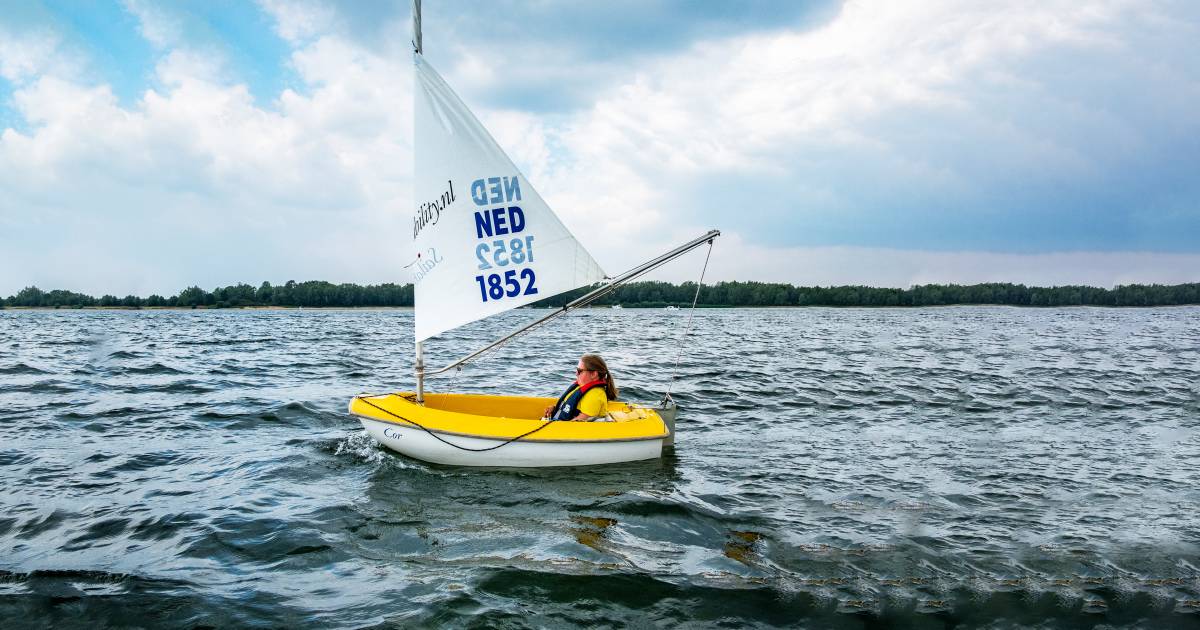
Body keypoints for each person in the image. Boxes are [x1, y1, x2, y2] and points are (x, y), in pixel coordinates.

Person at [543, 354, 618, 421]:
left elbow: (578, 423)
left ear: (593, 374)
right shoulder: (580, 387)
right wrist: (554, 408)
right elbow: (568, 407)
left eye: (579, 371)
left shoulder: (595, 395)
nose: (576, 373)